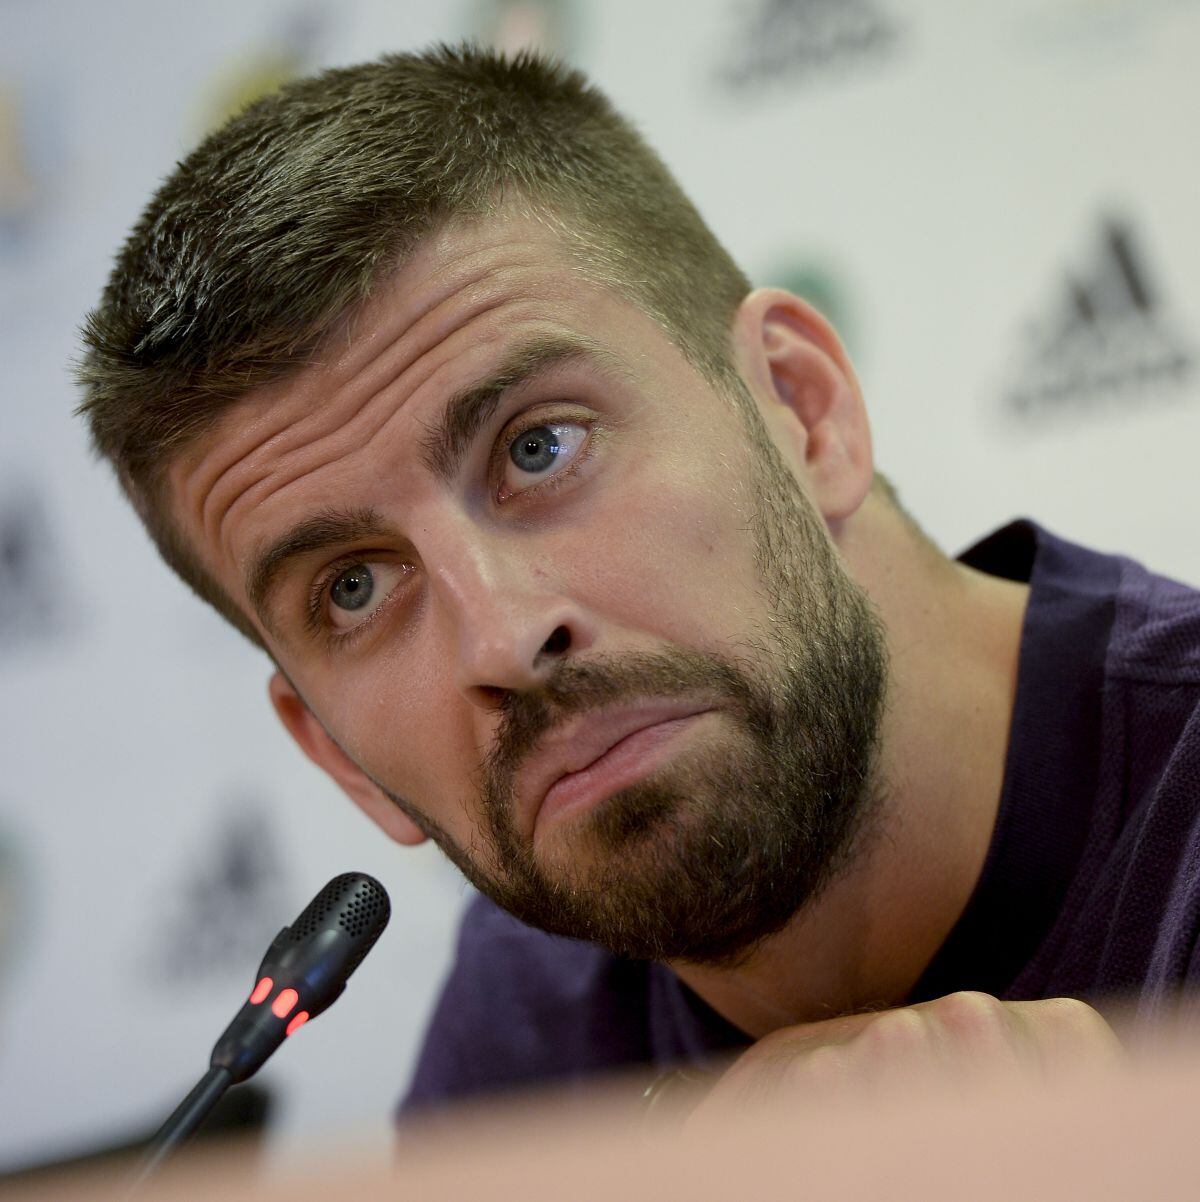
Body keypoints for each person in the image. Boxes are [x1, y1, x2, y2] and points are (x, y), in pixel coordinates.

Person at [77, 45, 1198, 1122]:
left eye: (538, 448)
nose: (503, 640)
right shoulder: (523, 1014)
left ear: (803, 410)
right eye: (357, 588)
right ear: (335, 754)